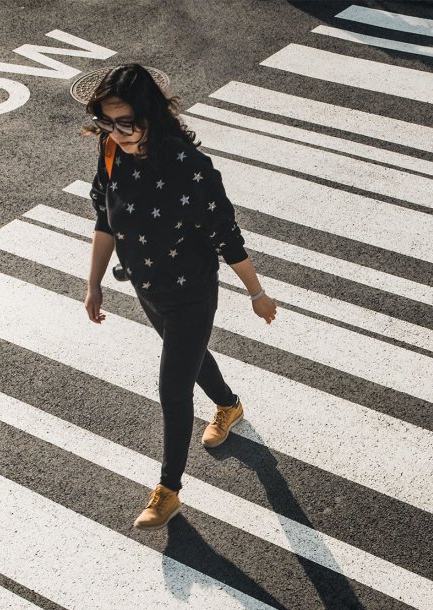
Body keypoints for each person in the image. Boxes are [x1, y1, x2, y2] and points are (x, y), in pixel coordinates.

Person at [81, 64, 277, 530]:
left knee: (173, 387)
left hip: (191, 292)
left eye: (126, 122)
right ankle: (229, 405)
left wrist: (257, 293)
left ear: (150, 114)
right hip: (148, 288)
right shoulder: (112, 153)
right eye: (107, 122)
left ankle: (168, 492)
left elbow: (227, 237)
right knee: (187, 354)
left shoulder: (190, 169)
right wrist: (93, 283)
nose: (116, 132)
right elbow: (105, 220)